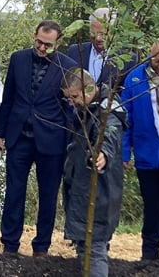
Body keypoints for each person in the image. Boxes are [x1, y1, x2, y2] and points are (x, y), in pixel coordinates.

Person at [0, 20, 76, 257]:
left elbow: (71, 107)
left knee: (48, 195)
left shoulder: (68, 66)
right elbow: (7, 97)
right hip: (19, 137)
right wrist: (0, 133)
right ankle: (9, 246)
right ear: (34, 36)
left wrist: (68, 140)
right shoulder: (18, 58)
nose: (42, 48)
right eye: (39, 42)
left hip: (52, 140)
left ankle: (41, 248)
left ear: (57, 43)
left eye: (48, 45)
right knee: (14, 192)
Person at [62, 68, 125, 276]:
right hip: (82, 188)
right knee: (86, 247)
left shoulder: (107, 112)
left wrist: (103, 154)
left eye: (74, 97)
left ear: (89, 89)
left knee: (94, 249)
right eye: (67, 97)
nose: (70, 102)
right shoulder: (87, 106)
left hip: (99, 193)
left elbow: (109, 135)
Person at [121, 37, 159, 261]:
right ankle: (149, 254)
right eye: (157, 61)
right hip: (147, 155)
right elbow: (126, 119)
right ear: (150, 56)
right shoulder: (135, 78)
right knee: (152, 205)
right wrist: (125, 153)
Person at [67, 8, 136, 87]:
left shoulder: (127, 59)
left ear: (113, 32)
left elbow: (126, 92)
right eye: (93, 33)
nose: (98, 38)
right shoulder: (75, 51)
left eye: (103, 34)